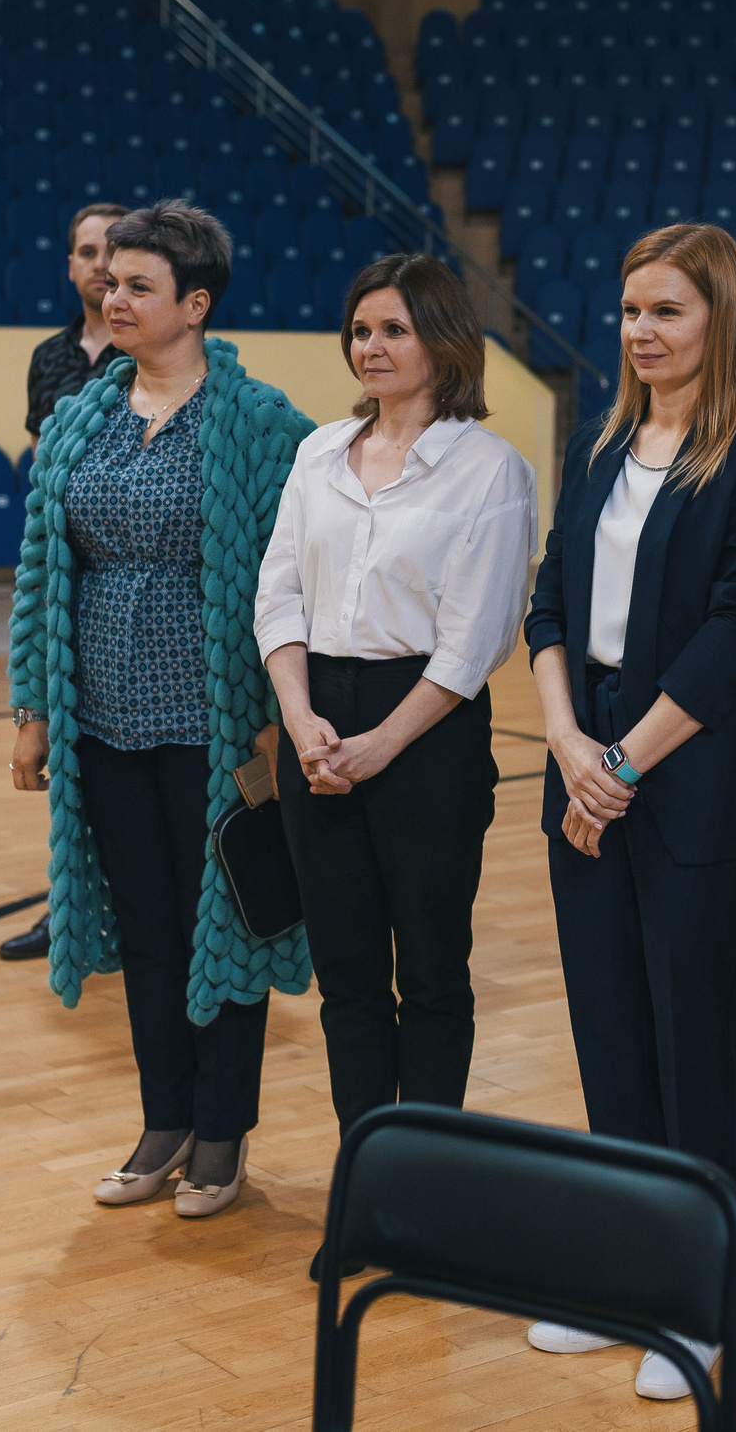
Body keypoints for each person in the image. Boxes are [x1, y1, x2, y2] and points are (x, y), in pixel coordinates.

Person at [521, 221, 736, 1401]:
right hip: (585, 758)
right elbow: (548, 602)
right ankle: (623, 1276)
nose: (640, 330)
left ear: (717, 320)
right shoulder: (596, 445)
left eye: (666, 311)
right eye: (631, 309)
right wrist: (567, 744)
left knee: (693, 1054)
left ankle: (697, 1303)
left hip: (683, 776)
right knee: (610, 1037)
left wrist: (623, 765)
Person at [6, 200, 315, 1221]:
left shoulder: (261, 423)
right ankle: (164, 1119)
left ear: (196, 304)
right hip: (100, 719)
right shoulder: (78, 417)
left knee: (219, 922)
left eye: (140, 285)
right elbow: (40, 570)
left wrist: (279, 713)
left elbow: (295, 580)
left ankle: (221, 1131)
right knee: (145, 927)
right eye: (110, 281)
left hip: (217, 724)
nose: (115, 297)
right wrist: (33, 707)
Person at [257, 253, 536, 1138]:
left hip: (426, 731)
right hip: (317, 719)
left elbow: (475, 639)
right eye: (360, 330)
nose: (370, 347)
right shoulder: (318, 452)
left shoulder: (489, 468)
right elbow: (278, 594)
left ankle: (429, 1176)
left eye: (394, 330)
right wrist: (300, 717)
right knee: (346, 977)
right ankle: (367, 1171)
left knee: (431, 972)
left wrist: (380, 743)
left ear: (443, 341)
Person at [1, 199, 131, 963]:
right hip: (64, 576)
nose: (100, 264)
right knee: (65, 752)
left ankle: (139, 910)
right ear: (72, 265)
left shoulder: (148, 351)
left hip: (129, 574)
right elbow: (38, 464)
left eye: (113, 250)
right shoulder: (48, 357)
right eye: (87, 251)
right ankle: (70, 908)